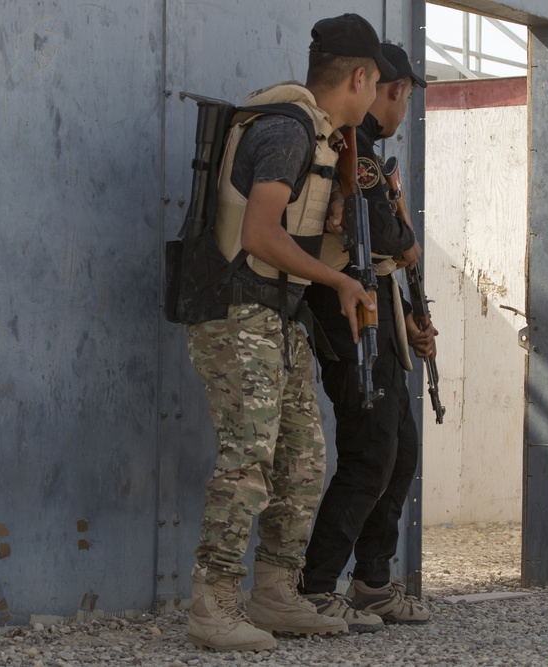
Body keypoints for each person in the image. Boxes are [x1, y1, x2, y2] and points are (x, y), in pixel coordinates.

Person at [185, 13, 395, 652]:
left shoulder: (323, 139)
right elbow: (259, 235)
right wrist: (339, 284)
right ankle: (212, 601)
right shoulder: (287, 130)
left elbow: (290, 232)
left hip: (279, 317)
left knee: (303, 459)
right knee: (249, 457)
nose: (376, 98)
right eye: (377, 85)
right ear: (359, 77)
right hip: (237, 313)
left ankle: (275, 591)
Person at [299, 43, 435, 631]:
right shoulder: (358, 154)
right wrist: (405, 237)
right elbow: (380, 234)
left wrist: (405, 315)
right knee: (370, 449)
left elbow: (374, 253)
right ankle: (316, 585)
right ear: (393, 89)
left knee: (398, 448)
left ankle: (373, 581)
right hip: (343, 310)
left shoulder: (368, 155)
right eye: (400, 91)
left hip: (372, 308)